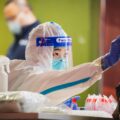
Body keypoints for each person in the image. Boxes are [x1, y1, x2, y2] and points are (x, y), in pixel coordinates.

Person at [6, 22, 120, 106]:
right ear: (39, 52)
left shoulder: (21, 69)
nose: (62, 60)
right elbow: (58, 80)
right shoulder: (29, 75)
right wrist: (105, 62)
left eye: (65, 55)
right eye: (56, 54)